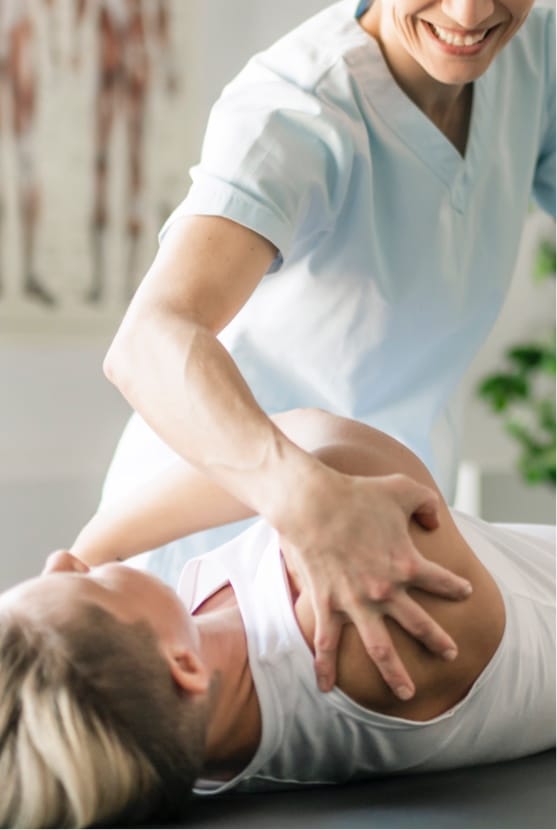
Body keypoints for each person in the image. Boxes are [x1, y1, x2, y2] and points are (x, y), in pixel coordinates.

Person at [101, 0, 555, 697]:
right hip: (216, 542)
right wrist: (303, 499)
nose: (469, 13)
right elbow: (149, 340)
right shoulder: (294, 111)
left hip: (380, 529)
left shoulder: (535, 59)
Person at [0, 408, 554, 829]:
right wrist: (102, 541)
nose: (63, 560)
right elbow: (309, 441)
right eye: (84, 586)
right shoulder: (370, 632)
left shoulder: (191, 718)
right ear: (183, 667)